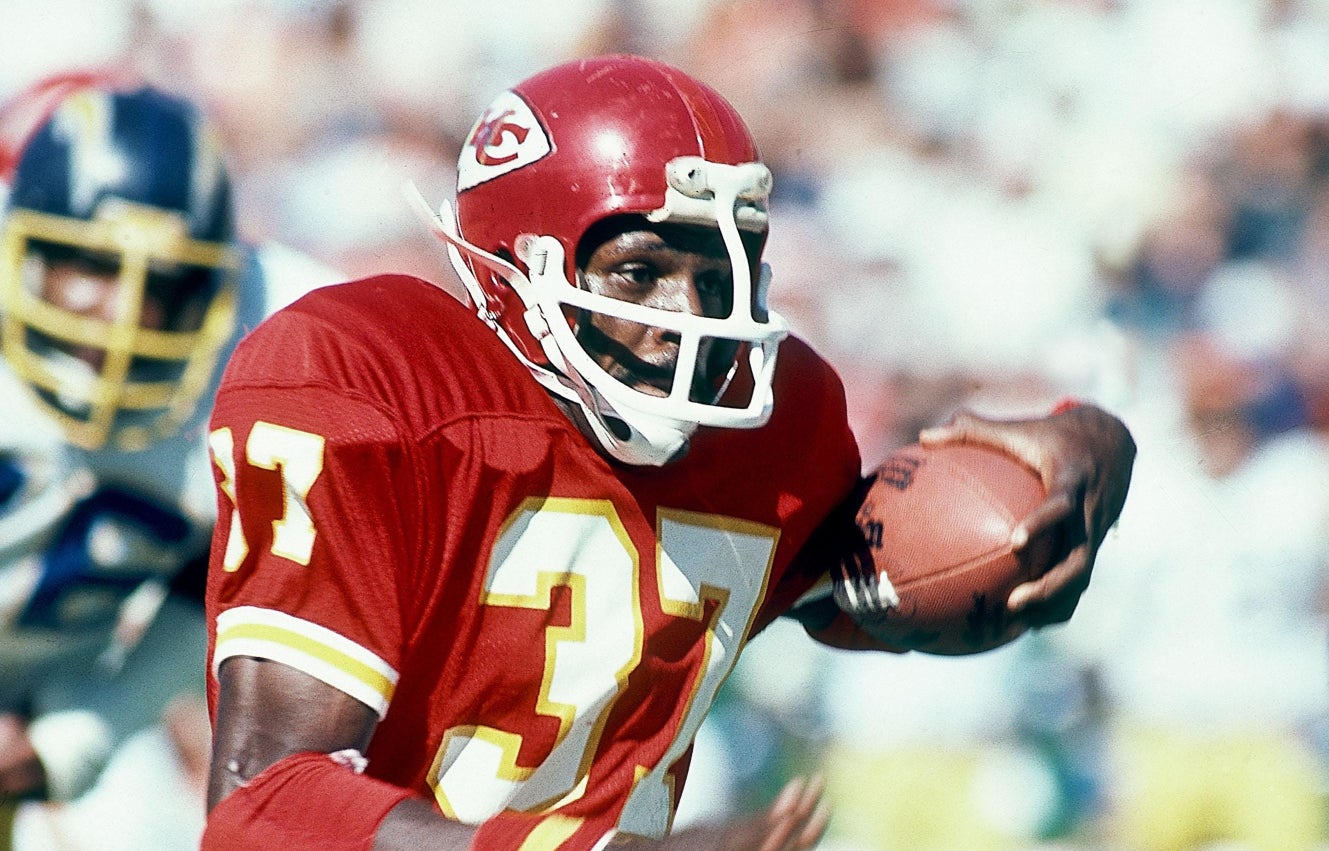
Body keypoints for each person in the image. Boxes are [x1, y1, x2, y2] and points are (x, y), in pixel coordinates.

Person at [202, 54, 1135, 850]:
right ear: (519, 269)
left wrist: (1085, 449)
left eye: (718, 274)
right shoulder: (368, 383)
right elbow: (262, 801)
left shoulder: (776, 429)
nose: (690, 321)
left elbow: (886, 584)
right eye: (640, 272)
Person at [0, 77, 341, 849]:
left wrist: (80, 728)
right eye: (87, 266)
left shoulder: (277, 344)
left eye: (164, 283)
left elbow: (224, 587)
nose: (120, 315)